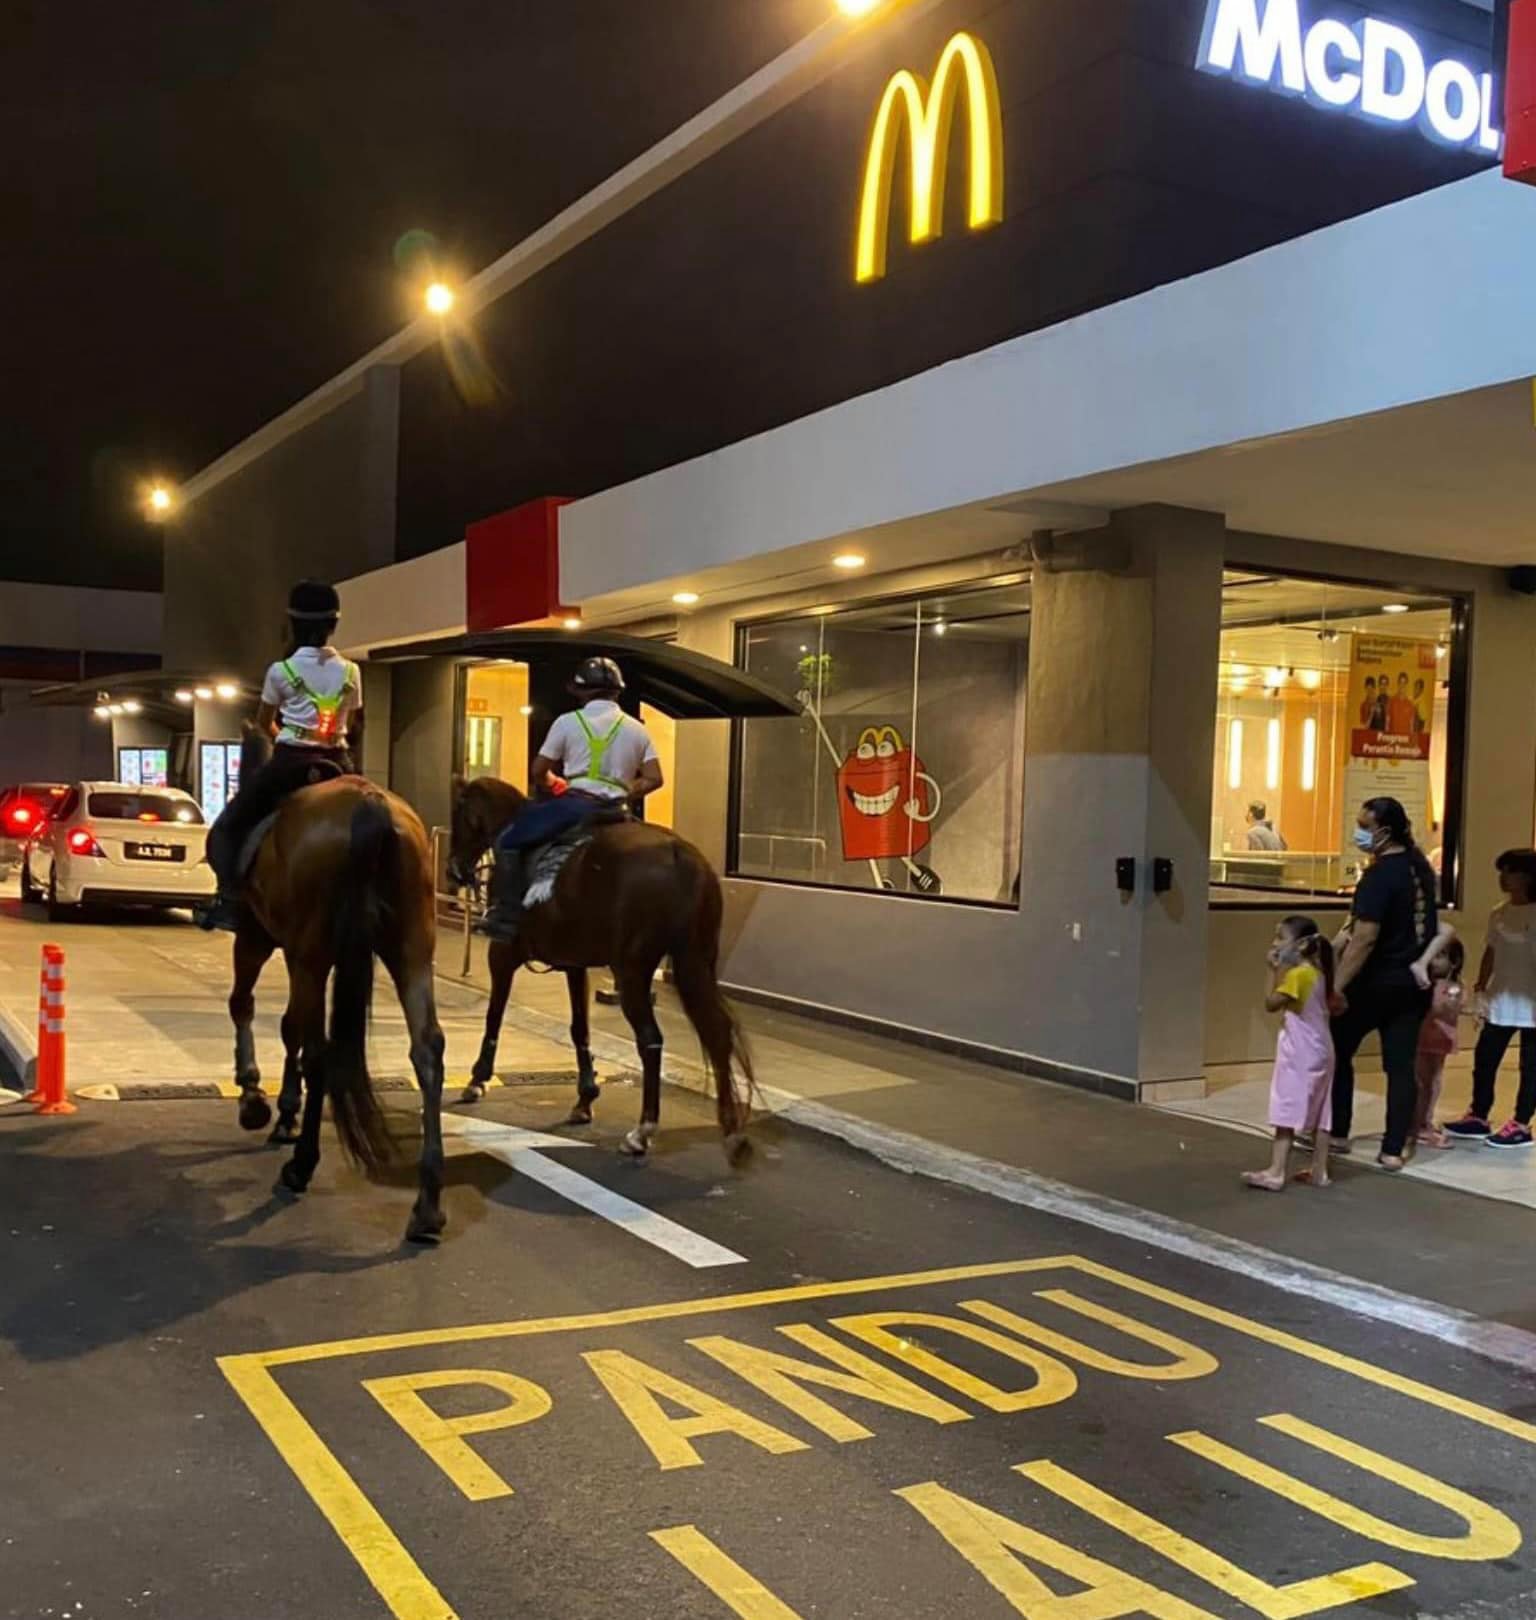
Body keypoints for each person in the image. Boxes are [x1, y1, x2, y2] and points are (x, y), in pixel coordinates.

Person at [201, 581, 363, 931]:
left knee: (233, 823)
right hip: (339, 762)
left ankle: (228, 898)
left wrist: (284, 734)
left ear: (292, 624)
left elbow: (263, 724)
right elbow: (353, 718)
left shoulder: (281, 671)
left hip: (290, 762)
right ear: (333, 626)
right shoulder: (352, 671)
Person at [482, 656, 663, 941]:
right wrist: (625, 791)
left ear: (580, 691)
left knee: (508, 840)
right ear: (617, 691)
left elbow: (539, 770)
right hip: (617, 811)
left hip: (575, 805)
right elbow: (655, 778)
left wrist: (555, 784)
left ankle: (507, 915)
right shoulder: (637, 728)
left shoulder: (567, 722)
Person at [1330, 796, 1439, 1171]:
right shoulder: (1420, 868)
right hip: (1412, 984)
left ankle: (1337, 1132)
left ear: (1385, 831)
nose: (1358, 832)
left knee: (1339, 1050)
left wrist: (1338, 986)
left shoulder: (1379, 876)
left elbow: (1364, 939)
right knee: (1400, 1064)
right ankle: (1394, 1148)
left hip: (1375, 983)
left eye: (1364, 825)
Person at [1443, 849, 1536, 1148]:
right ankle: (1479, 1114)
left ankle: (1521, 1122)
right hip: (1500, 1000)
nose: (1503, 878)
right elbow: (1491, 952)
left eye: (1509, 871)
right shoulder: (1499, 913)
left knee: (1530, 1065)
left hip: (1531, 1002)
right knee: (1485, 1058)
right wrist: (1482, 985)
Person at [1242, 917, 1334, 1193]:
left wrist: (1272, 970)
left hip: (1300, 1051)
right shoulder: (1319, 973)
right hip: (1322, 1047)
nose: (1275, 944)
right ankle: (1320, 1170)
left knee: (1286, 1108)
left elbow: (1271, 1004)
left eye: (1280, 938)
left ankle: (1276, 1171)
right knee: (1321, 1112)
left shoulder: (1299, 975)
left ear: (1301, 944)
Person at [1412, 936, 1465, 1150]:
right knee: (1420, 1081)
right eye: (1432, 955)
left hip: (1441, 1040)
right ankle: (1416, 1123)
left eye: (1441, 956)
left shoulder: (1455, 986)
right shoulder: (1424, 983)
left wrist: (1453, 998)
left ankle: (1426, 1121)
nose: (1434, 960)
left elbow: (1453, 1007)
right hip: (1421, 1038)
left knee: (1433, 1081)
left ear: (1454, 962)